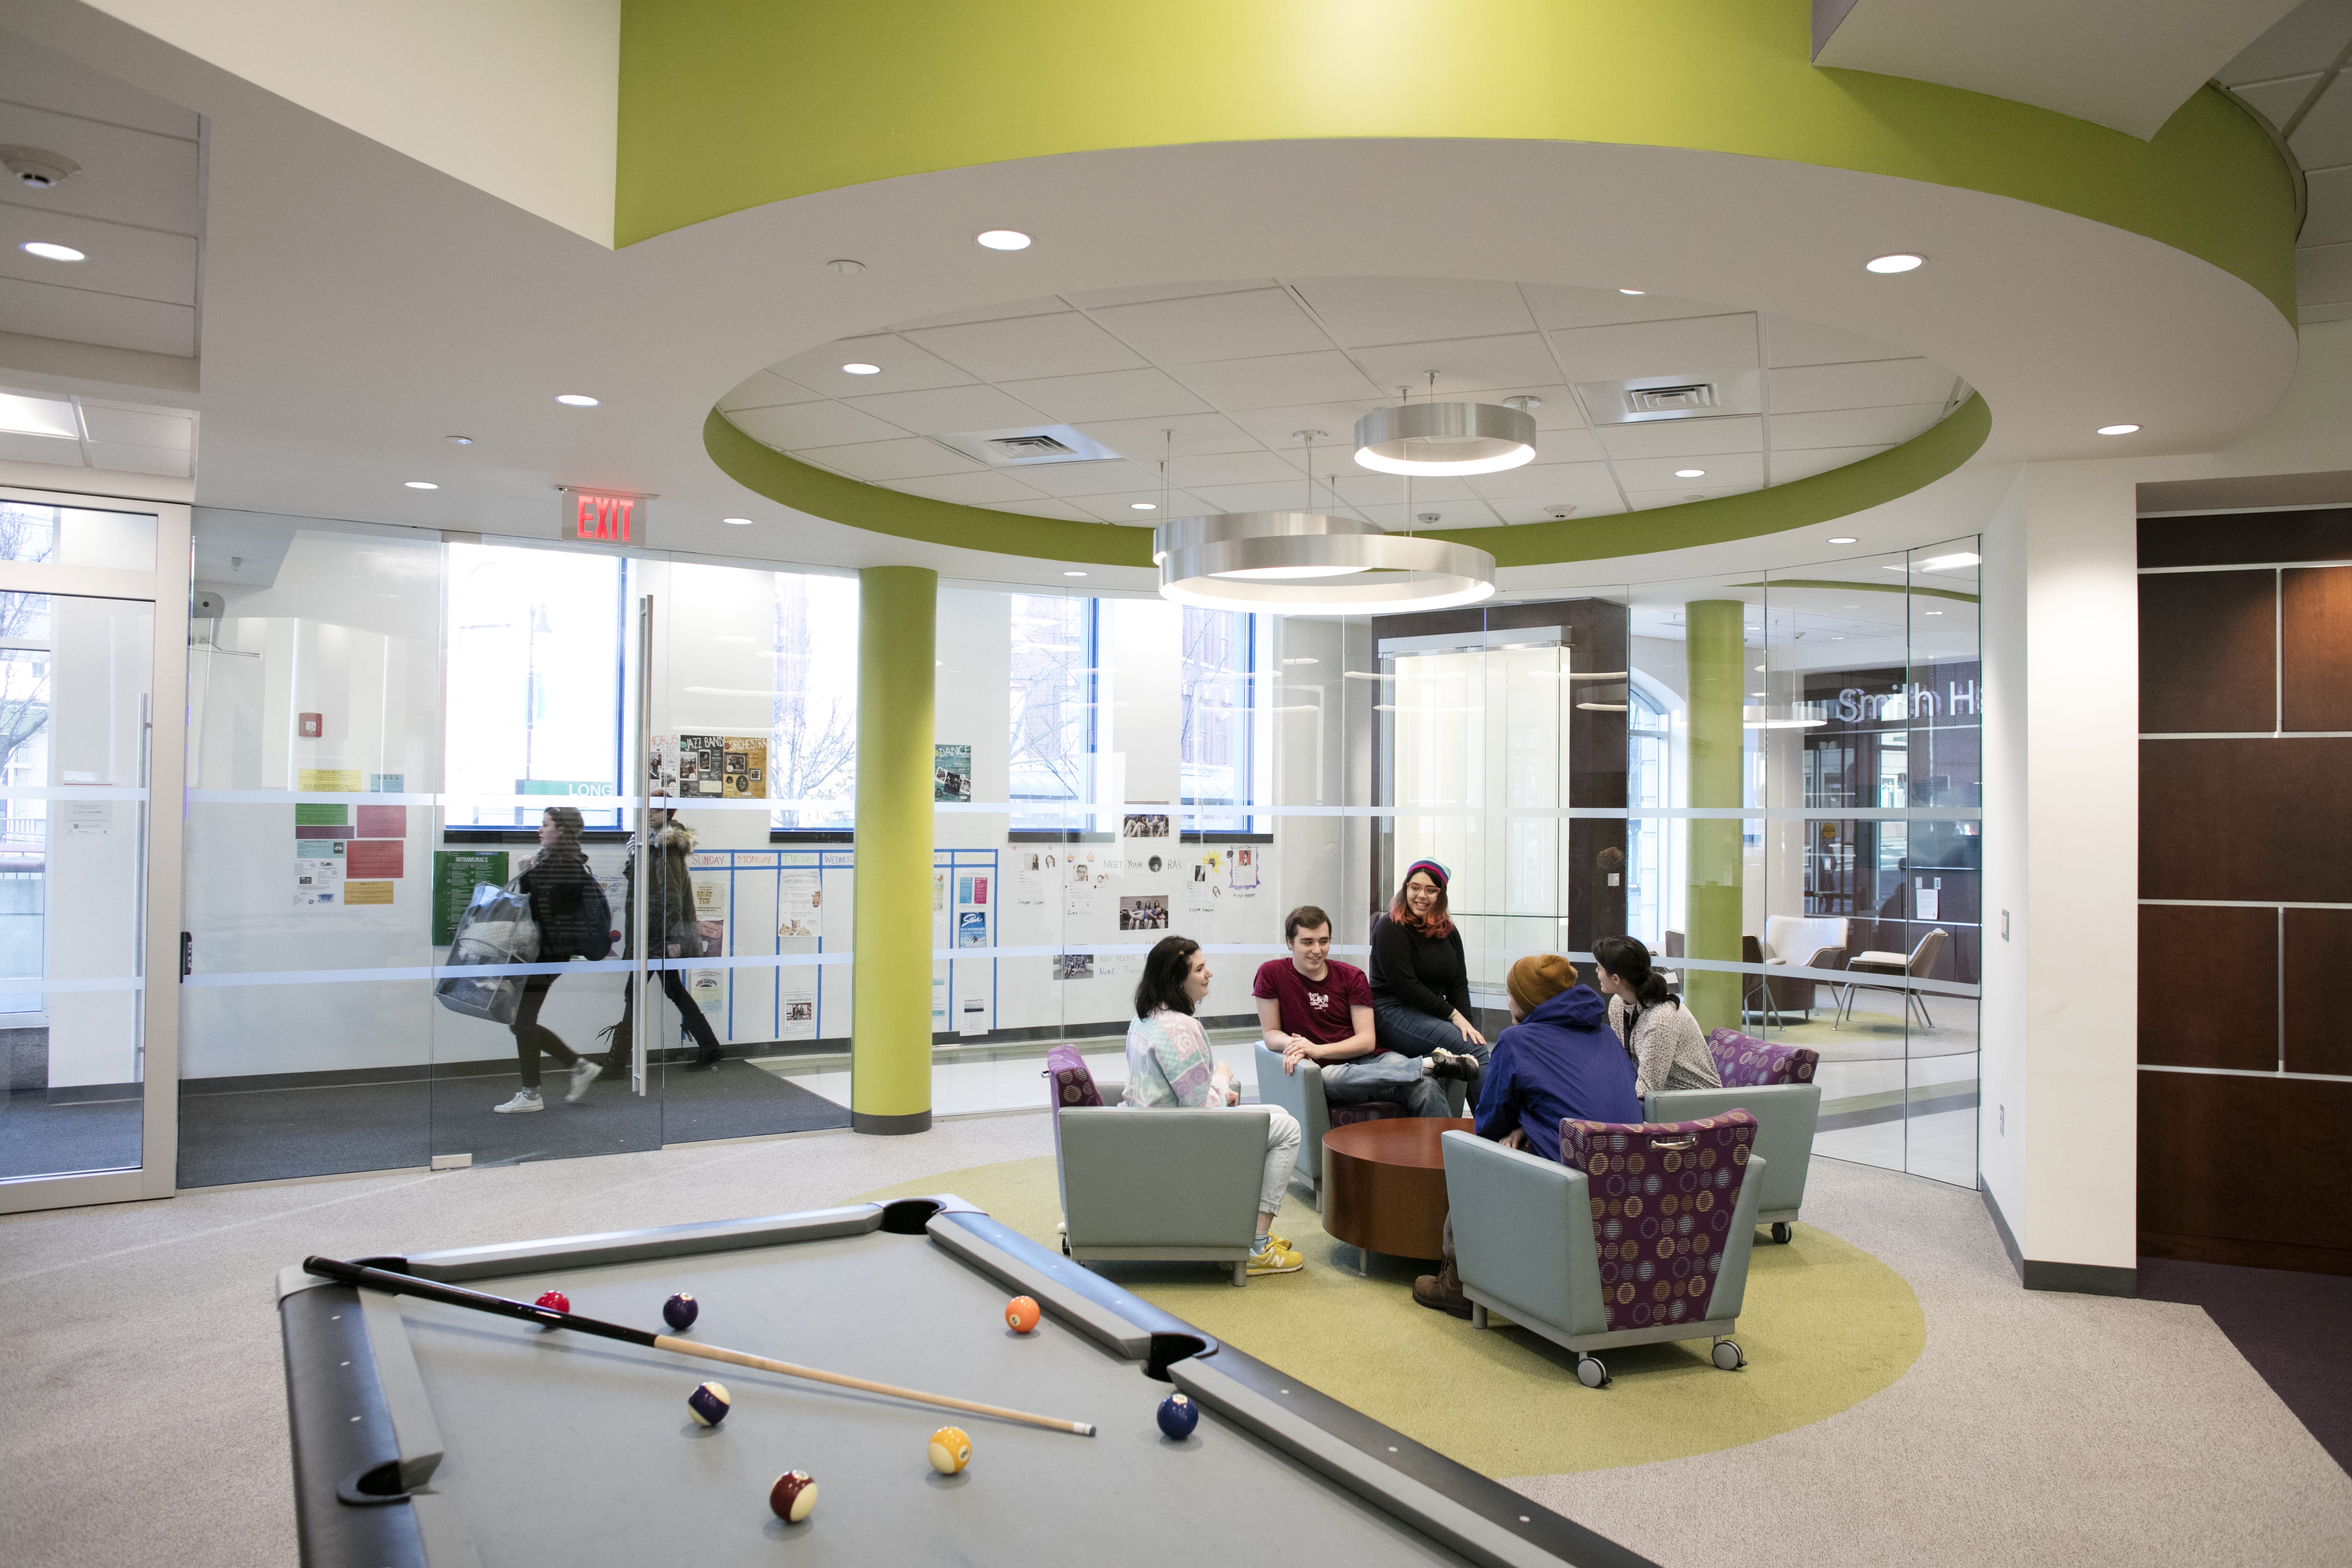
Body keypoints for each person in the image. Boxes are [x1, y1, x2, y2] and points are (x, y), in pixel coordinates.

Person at [1412, 953, 1640, 1316]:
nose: (1508, 1001)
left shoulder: (1517, 1041)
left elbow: (1489, 1123)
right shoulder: (1607, 1036)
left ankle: (1458, 1282)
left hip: (1566, 1184)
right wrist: (1531, 1125)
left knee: (1473, 1154)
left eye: (1511, 994)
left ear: (1529, 1001)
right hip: (1631, 1181)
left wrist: (1522, 1126)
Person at [1125, 934, 1306, 1276]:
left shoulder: (1145, 1018)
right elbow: (1201, 1108)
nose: (1209, 974)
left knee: (1278, 1115)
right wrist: (1222, 1077)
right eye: (1199, 969)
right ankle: (1255, 1245)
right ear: (1177, 980)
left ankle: (1244, 1232)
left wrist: (1218, 1089)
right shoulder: (1181, 1027)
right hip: (1178, 1139)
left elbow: (1181, 1091)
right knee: (1289, 1130)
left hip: (1151, 1132)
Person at [1254, 904, 1453, 1117]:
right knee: (1328, 1078)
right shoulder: (1271, 974)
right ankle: (1426, 1065)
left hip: (1371, 1062)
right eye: (1308, 942)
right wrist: (1295, 1045)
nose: (1317, 950)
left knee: (1427, 1085)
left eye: (1324, 941)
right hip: (1326, 1072)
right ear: (1289, 942)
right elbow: (1271, 1034)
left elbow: (1367, 1041)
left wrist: (1317, 1050)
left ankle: (1445, 1140)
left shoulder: (1351, 976)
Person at [493, 806, 609, 1113]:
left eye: (546, 825)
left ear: (562, 830)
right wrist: (530, 874)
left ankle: (533, 1094)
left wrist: (528, 875)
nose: (540, 830)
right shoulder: (557, 863)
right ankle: (577, 1068)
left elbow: (544, 914)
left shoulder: (564, 867)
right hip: (546, 955)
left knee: (522, 1023)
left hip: (547, 956)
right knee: (521, 1022)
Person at [604, 801, 725, 1073]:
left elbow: (671, 896)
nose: (649, 814)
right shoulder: (653, 844)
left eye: (656, 810)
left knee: (636, 992)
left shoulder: (665, 845)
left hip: (657, 935)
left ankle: (616, 1062)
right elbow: (643, 884)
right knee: (672, 990)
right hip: (653, 933)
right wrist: (635, 858)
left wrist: (672, 939)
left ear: (668, 813)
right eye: (648, 809)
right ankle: (710, 1047)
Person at [1369, 859, 1486, 1082]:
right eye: (1415, 888)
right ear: (1406, 889)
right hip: (1393, 1012)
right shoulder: (1390, 927)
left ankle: (1480, 1108)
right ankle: (1490, 1109)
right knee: (1476, 1050)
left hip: (1430, 1013)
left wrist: (1467, 1025)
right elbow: (1406, 986)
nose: (1421, 896)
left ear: (1441, 895)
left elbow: (1458, 984)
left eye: (1431, 890)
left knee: (1473, 1043)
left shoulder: (1449, 931)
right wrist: (1453, 1015)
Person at [1592, 934, 1722, 1095]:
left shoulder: (1661, 1019)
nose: (1596, 972)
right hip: (1661, 1097)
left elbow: (1647, 1089)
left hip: (1696, 1101)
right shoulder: (1618, 1004)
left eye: (1599, 968)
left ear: (1617, 979)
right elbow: (1623, 1064)